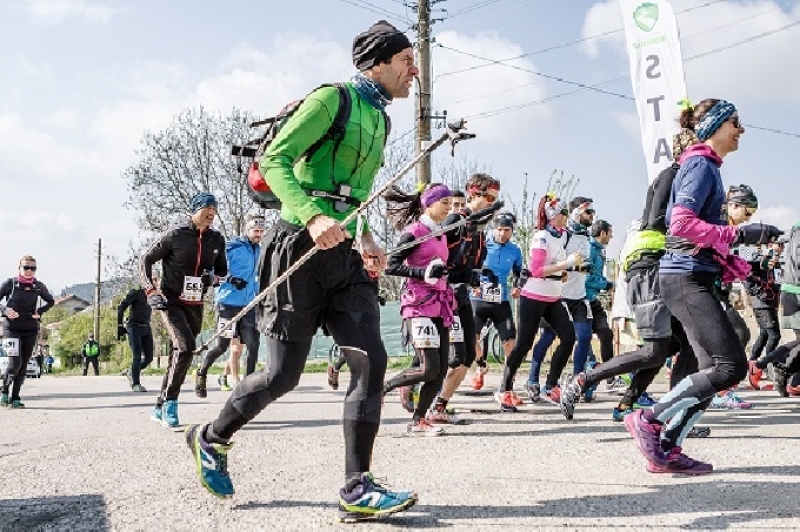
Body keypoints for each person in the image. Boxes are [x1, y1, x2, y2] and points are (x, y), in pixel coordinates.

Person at [184, 20, 419, 522]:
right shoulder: (331, 100)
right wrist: (312, 216)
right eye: (406, 60)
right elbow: (275, 159)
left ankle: (357, 486)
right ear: (377, 62)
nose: (414, 71)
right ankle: (211, 437)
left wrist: (368, 237)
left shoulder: (382, 120)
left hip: (345, 251)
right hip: (298, 246)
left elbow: (357, 193)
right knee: (281, 375)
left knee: (371, 360)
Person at [624, 98, 781, 474]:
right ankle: (650, 419)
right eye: (735, 123)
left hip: (694, 275)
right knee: (730, 367)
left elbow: (708, 240)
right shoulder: (699, 164)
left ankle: (666, 449)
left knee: (713, 369)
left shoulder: (708, 166)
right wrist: (741, 231)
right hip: (683, 278)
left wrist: (747, 266)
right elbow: (681, 224)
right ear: (714, 126)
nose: (741, 130)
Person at [560, 130, 701, 422]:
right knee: (654, 350)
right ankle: (584, 379)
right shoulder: (670, 176)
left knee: (680, 344)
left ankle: (653, 409)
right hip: (651, 264)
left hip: (663, 263)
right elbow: (656, 220)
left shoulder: (681, 177)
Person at [141, 191, 227, 427]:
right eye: (207, 208)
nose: (212, 213)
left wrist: (213, 278)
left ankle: (158, 407)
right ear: (195, 209)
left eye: (214, 209)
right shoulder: (175, 235)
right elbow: (145, 259)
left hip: (196, 305)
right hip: (172, 302)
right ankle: (171, 402)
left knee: (179, 354)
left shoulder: (217, 240)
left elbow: (222, 273)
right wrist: (151, 291)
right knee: (187, 347)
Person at [382, 183, 454, 436]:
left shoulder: (442, 233)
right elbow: (390, 265)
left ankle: (419, 420)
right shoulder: (415, 231)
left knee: (441, 368)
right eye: (445, 203)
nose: (449, 208)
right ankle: (386, 386)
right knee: (427, 368)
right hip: (418, 304)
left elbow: (439, 265)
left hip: (440, 304)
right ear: (429, 204)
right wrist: (422, 272)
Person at [498, 194, 577, 412]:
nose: (566, 217)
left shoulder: (562, 236)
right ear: (554, 215)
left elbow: (554, 267)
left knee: (569, 336)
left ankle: (551, 386)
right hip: (533, 295)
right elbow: (537, 269)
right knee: (524, 344)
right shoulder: (541, 236)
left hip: (553, 296)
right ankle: (504, 388)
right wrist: (565, 264)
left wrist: (565, 270)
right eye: (564, 213)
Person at [434, 173, 499, 416]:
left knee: (469, 354)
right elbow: (440, 258)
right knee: (443, 357)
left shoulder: (479, 227)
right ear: (474, 193)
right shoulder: (456, 220)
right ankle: (411, 392)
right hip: (442, 295)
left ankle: (440, 404)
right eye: (490, 197)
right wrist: (461, 275)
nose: (492, 202)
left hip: (461, 295)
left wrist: (483, 273)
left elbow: (472, 262)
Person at [527, 196, 594, 403]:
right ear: (573, 213)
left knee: (584, 336)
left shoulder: (587, 238)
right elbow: (549, 260)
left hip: (579, 296)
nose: (592, 216)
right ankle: (533, 379)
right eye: (587, 212)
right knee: (548, 337)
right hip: (560, 294)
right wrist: (569, 265)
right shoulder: (564, 236)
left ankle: (577, 384)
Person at [195, 214, 265, 397]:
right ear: (247, 230)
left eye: (261, 231)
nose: (259, 234)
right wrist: (231, 279)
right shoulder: (232, 247)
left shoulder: (259, 250)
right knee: (222, 346)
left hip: (249, 305)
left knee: (253, 344)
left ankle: (248, 387)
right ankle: (201, 372)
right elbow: (211, 269)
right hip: (228, 302)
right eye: (255, 230)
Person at [469, 211, 523, 394]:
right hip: (479, 298)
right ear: (494, 229)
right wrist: (473, 283)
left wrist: (518, 286)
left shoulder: (515, 251)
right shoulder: (483, 244)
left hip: (501, 301)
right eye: (499, 230)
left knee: (510, 342)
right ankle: (481, 364)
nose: (502, 234)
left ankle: (508, 384)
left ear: (512, 231)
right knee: (472, 338)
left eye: (506, 230)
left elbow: (518, 274)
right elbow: (470, 266)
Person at [0, 256, 55, 407]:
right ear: (19, 268)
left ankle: (15, 398)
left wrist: (40, 311)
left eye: (33, 268)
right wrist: (5, 309)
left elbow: (51, 301)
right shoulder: (10, 284)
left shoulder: (38, 286)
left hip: (30, 328)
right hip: (11, 328)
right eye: (26, 267)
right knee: (14, 363)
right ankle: (4, 390)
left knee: (23, 365)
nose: (29, 271)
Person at [117, 275, 157, 392]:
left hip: (146, 326)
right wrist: (120, 326)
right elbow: (121, 307)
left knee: (149, 358)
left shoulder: (154, 294)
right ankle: (136, 384)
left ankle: (131, 372)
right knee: (137, 356)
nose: (155, 283)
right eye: (153, 280)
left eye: (156, 280)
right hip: (134, 327)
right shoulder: (136, 291)